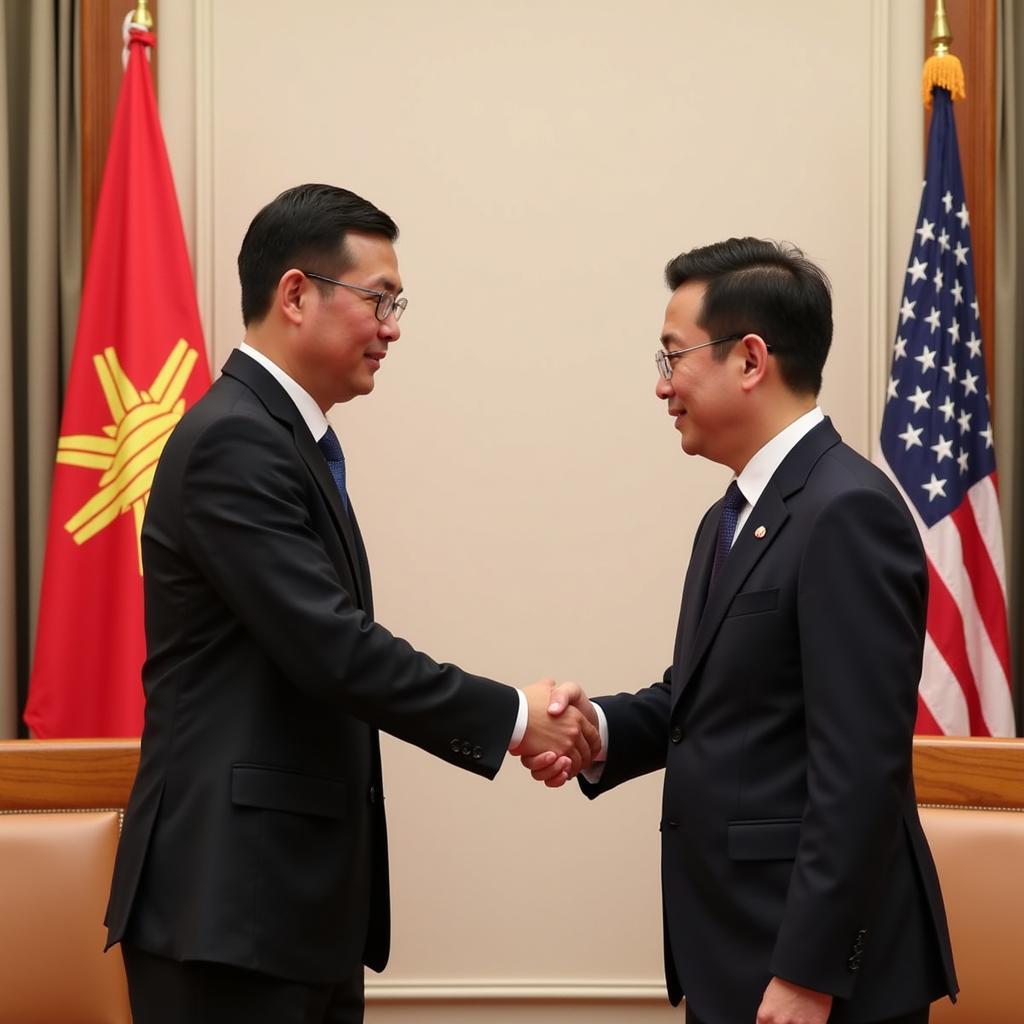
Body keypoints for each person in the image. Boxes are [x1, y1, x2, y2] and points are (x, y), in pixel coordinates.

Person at [104, 183, 599, 1024]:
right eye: (379, 300)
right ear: (296, 294)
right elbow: (335, 650)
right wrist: (516, 716)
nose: (394, 327)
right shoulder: (236, 440)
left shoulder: (287, 439)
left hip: (289, 910)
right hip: (229, 912)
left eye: (397, 304)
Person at [523, 238, 958, 1024]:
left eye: (672, 357)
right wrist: (599, 730)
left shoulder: (846, 511)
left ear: (750, 359)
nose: (661, 387)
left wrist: (809, 973)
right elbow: (711, 699)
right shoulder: (731, 518)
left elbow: (860, 766)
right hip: (735, 952)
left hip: (810, 979)